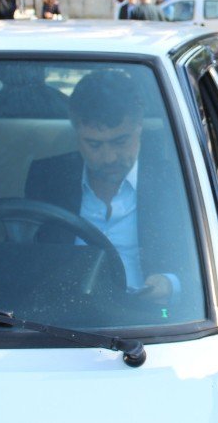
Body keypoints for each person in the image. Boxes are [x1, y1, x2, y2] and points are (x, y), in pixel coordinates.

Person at [25, 69, 180, 303]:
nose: (109, 158)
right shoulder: (46, 178)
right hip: (63, 316)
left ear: (139, 127)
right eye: (94, 144)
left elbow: (208, 265)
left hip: (148, 319)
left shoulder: (175, 180)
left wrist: (171, 283)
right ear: (76, 132)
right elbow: (27, 256)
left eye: (120, 142)